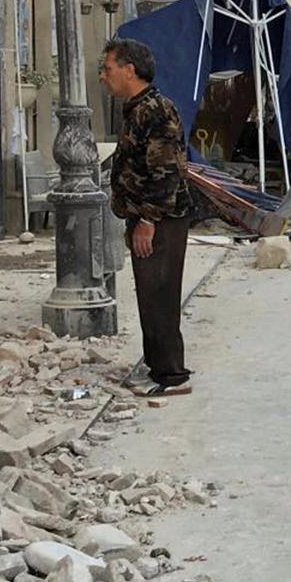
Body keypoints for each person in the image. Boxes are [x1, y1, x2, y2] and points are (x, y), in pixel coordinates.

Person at [99, 37, 194, 398]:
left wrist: (148, 221)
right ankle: (157, 367)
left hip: (161, 219)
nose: (103, 76)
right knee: (150, 296)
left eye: (108, 69)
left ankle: (172, 376)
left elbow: (166, 171)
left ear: (129, 70)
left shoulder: (155, 110)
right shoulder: (137, 109)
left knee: (160, 296)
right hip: (146, 216)